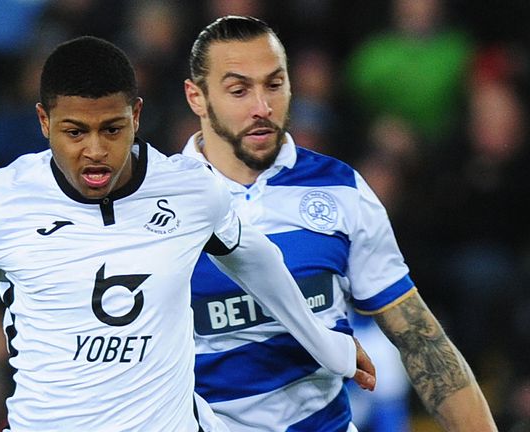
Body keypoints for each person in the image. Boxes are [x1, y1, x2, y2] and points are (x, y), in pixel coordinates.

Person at [0, 36, 376, 432]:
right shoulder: (3, 200)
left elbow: (257, 260)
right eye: (73, 131)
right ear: (44, 121)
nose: (94, 150)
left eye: (111, 129)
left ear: (137, 116)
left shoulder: (192, 190)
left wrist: (325, 343)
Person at [182, 15, 497, 432]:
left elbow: (421, 339)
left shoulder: (341, 189)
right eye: (239, 90)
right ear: (196, 98)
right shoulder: (161, 202)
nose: (263, 107)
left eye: (275, 85)